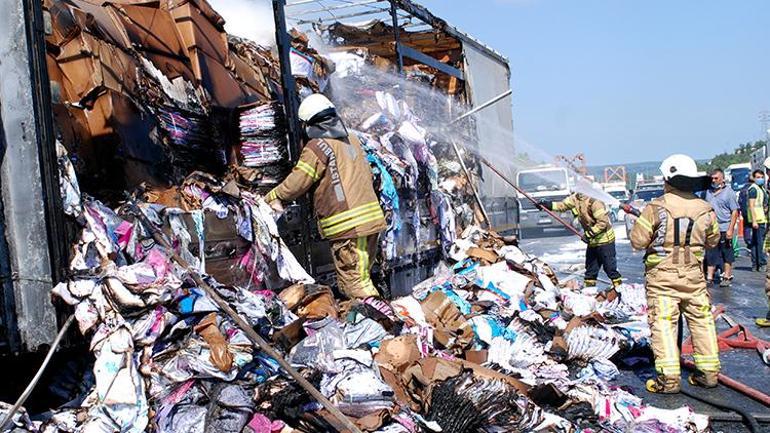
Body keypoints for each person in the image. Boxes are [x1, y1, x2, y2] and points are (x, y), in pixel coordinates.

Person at [266, 94, 386, 299]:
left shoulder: (318, 146)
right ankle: (378, 322)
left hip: (348, 228)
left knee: (355, 284)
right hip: (370, 222)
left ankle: (378, 323)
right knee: (363, 278)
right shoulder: (353, 140)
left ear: (308, 123)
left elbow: (298, 181)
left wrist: (273, 195)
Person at [630, 154, 720, 393]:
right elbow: (713, 240)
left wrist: (642, 222)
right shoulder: (705, 209)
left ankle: (668, 380)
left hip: (662, 279)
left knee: (663, 324)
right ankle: (709, 374)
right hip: (694, 278)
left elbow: (638, 241)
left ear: (668, 179)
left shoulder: (656, 207)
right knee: (702, 321)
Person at [539, 193, 622, 288]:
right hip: (592, 242)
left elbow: (603, 222)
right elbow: (562, 206)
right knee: (590, 272)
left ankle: (620, 290)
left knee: (610, 269)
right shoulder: (576, 198)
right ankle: (589, 293)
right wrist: (548, 204)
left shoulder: (595, 201)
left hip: (605, 241)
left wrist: (589, 234)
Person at [704, 168, 739, 287]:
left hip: (725, 227)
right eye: (712, 178)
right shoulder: (708, 192)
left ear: (722, 179)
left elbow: (734, 212)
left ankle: (727, 276)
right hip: (712, 229)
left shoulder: (729, 193)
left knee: (726, 254)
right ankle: (709, 277)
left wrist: (730, 229)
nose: (714, 180)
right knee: (711, 253)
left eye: (716, 178)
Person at [747, 169, 768, 272]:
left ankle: (756, 264)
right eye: (758, 177)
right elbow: (751, 205)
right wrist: (754, 221)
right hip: (757, 219)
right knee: (759, 243)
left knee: (756, 242)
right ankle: (761, 262)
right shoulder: (753, 189)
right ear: (754, 178)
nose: (760, 179)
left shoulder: (760, 188)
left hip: (760, 217)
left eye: (761, 177)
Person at [738, 176, 754, 252]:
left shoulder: (742, 189)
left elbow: (739, 202)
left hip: (745, 212)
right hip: (755, 212)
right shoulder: (754, 188)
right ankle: (753, 243)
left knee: (747, 227)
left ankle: (748, 241)